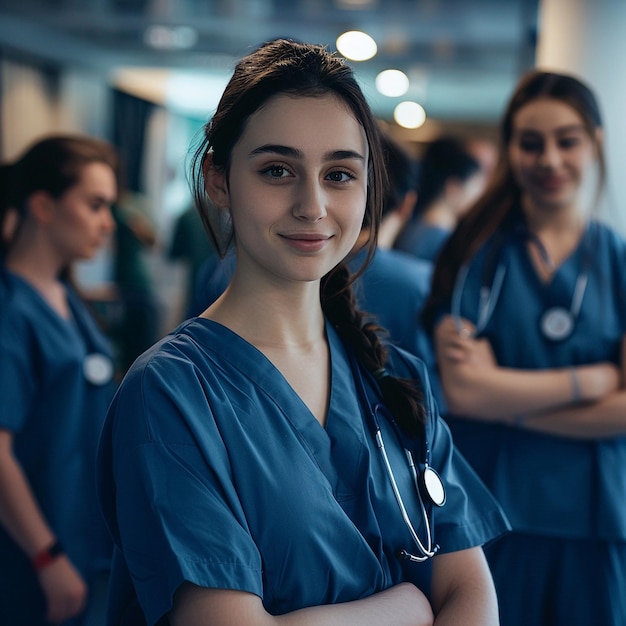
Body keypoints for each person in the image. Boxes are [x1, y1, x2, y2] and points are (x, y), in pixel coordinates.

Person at [97, 39, 509, 626]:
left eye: (339, 174)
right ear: (218, 179)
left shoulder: (392, 374)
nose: (312, 205)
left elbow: (471, 594)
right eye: (276, 170)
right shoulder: (171, 393)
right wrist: (409, 607)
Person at [422, 70, 626, 626]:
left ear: (597, 142)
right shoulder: (476, 255)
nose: (549, 160)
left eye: (568, 140)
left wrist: (504, 398)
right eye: (531, 143)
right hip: (493, 508)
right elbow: (462, 392)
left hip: (595, 518)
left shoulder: (618, 260)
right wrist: (592, 382)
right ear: (510, 149)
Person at [0, 135, 118, 625]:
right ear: (44, 206)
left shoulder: (69, 301)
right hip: (31, 555)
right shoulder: (11, 311)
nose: (108, 224)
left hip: (81, 539)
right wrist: (46, 556)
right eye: (94, 205)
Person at [395, 136, 484, 262]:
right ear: (454, 188)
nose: (480, 196)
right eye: (476, 188)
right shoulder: (444, 240)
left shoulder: (414, 224)